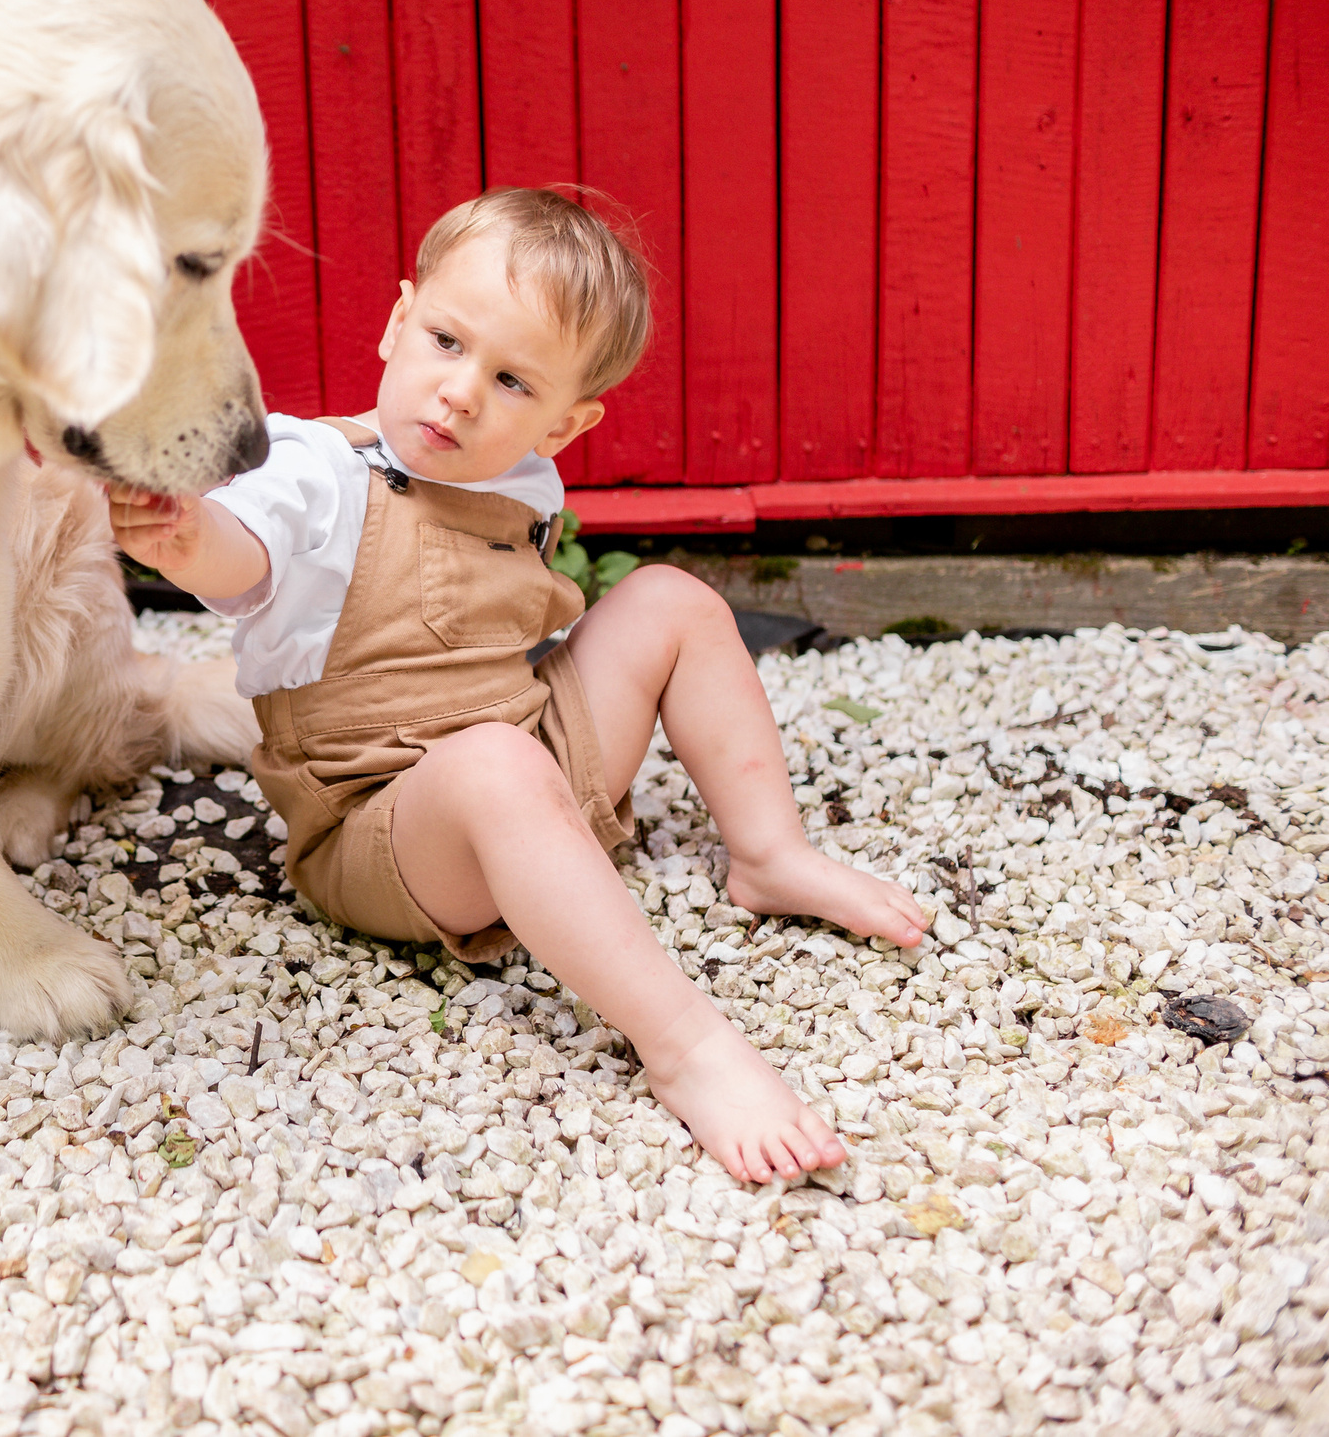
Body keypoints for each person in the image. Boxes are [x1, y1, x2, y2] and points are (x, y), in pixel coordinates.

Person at [109, 188, 929, 1182]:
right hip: (384, 830)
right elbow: (246, 562)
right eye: (446, 342)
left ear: (564, 425)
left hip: (530, 757)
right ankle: (688, 1048)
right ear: (395, 322)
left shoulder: (515, 480)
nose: (459, 394)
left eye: (510, 381)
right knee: (495, 764)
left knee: (669, 600)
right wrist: (189, 538)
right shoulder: (311, 470)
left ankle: (769, 852)